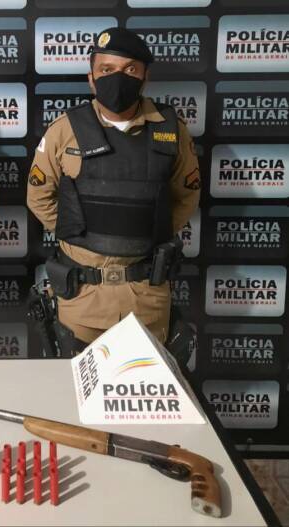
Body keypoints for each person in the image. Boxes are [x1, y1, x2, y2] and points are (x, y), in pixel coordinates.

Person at [27, 27, 200, 354]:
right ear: (91, 78)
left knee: (146, 383)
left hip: (147, 295)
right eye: (106, 69)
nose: (117, 78)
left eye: (129, 69)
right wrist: (77, 232)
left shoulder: (171, 129)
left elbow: (186, 195)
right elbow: (39, 196)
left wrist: (150, 231)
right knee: (78, 384)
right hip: (82, 296)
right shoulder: (65, 129)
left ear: (145, 76)